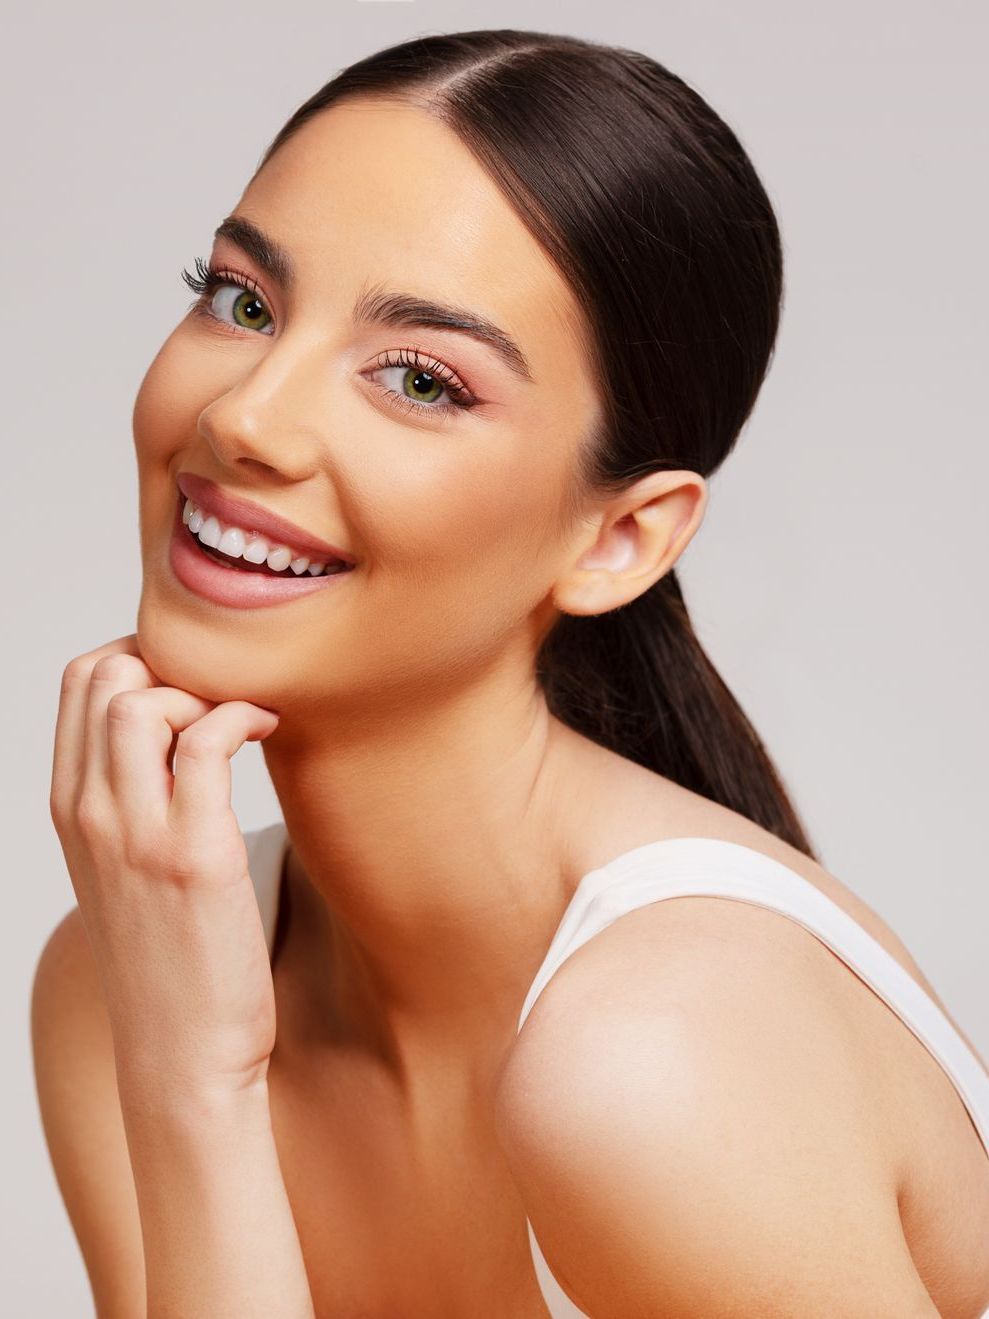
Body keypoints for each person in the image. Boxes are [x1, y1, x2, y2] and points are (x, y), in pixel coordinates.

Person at [32, 27, 989, 1318]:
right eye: (243, 301)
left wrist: (197, 1084)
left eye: (420, 380)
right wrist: (191, 1078)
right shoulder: (136, 974)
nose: (244, 418)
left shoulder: (658, 1060)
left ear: (616, 539)